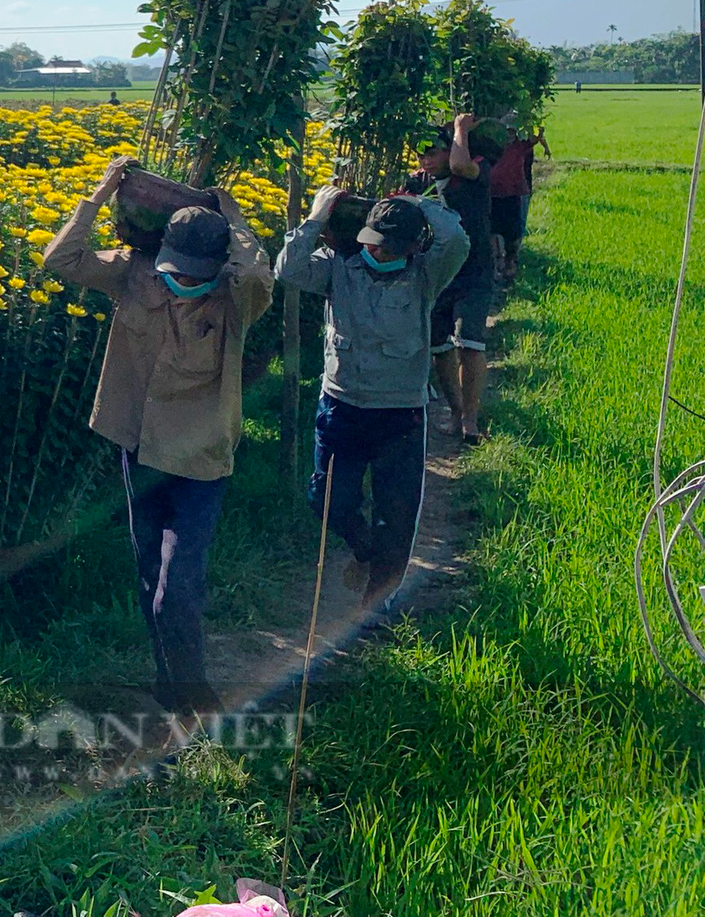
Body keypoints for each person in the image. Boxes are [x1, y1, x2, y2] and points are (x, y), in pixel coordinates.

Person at [43, 156, 274, 714]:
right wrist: (101, 194)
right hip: (137, 445)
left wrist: (234, 219)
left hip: (199, 458)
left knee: (178, 585)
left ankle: (193, 690)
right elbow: (61, 259)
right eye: (177, 267)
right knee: (149, 570)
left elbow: (260, 275)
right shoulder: (134, 272)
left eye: (197, 271)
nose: (183, 281)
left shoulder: (236, 300)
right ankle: (169, 682)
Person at [276, 188, 469, 609]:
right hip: (341, 407)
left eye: (392, 249)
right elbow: (288, 270)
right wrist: (316, 216)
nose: (380, 255)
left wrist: (419, 203)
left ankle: (375, 605)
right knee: (328, 502)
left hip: (400, 415)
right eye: (375, 245)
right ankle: (365, 551)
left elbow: (457, 239)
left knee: (397, 516)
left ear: (414, 247)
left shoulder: (425, 275)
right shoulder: (337, 268)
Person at [411, 115, 494, 444]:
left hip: (475, 272)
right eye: (421, 155)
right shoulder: (419, 184)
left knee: (470, 342)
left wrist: (460, 127)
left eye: (433, 152)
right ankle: (456, 409)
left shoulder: (475, 171)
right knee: (440, 345)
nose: (426, 160)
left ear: (451, 150)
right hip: (439, 274)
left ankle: (471, 416)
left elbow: (460, 166)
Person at [488, 124, 546, 285]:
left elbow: (537, 134)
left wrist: (531, 123)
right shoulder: (489, 147)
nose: (509, 135)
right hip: (492, 194)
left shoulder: (520, 146)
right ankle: (497, 265)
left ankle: (510, 261)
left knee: (512, 234)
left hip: (513, 194)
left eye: (512, 132)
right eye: (506, 132)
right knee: (493, 230)